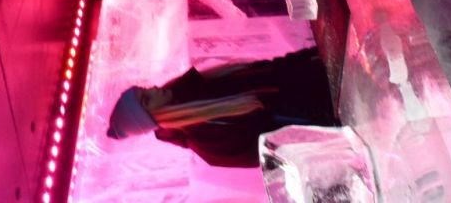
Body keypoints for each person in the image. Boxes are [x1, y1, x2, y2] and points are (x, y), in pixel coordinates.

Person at [106, 48, 336, 168]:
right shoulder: (207, 141)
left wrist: (317, 54)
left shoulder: (201, 84)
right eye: (147, 99)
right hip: (336, 112)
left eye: (146, 89)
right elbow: (281, 148)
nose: (155, 89)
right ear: (152, 118)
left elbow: (273, 68)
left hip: (329, 75)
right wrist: (335, 125)